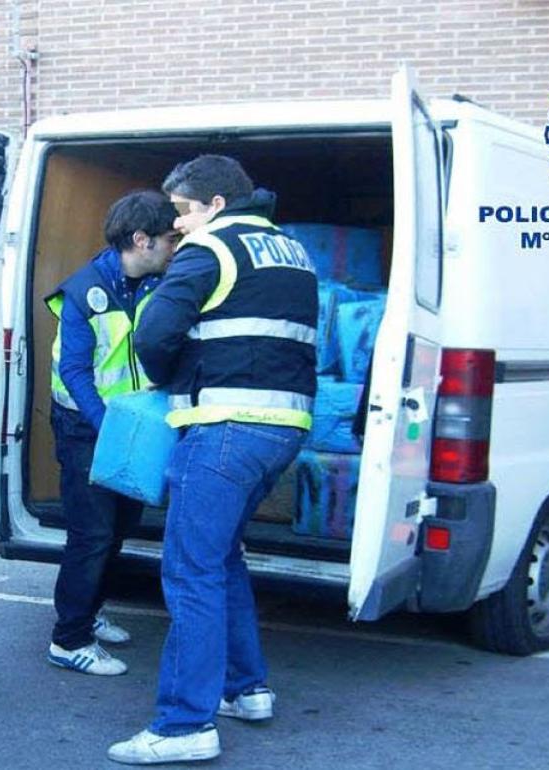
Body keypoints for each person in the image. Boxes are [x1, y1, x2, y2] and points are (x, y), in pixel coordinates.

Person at [110, 156, 318, 764]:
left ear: (216, 206)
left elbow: (152, 336)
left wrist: (170, 381)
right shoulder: (290, 251)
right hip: (283, 430)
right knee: (221, 559)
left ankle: (183, 727)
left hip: (223, 429)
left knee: (189, 571)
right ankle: (246, 689)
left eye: (182, 213)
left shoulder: (210, 250)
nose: (178, 228)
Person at [44, 190, 180, 676]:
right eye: (169, 238)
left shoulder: (156, 284)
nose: (174, 246)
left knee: (120, 528)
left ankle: (90, 612)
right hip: (87, 426)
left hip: (132, 427)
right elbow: (76, 370)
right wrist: (109, 430)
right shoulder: (85, 291)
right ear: (140, 240)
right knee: (92, 533)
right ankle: (69, 639)